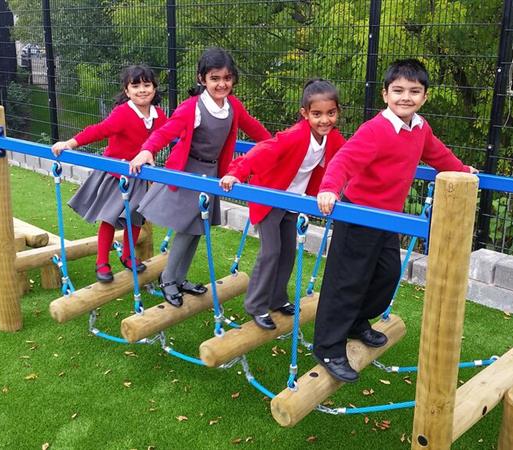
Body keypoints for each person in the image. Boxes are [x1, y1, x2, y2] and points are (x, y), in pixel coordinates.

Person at [312, 59, 479, 383]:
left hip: (389, 218)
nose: (406, 97)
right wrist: (330, 189)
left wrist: (462, 170)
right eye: (399, 90)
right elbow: (344, 159)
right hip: (359, 215)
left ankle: (359, 321)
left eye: (414, 91)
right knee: (347, 281)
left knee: (386, 275)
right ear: (386, 95)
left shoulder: (419, 128)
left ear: (424, 96)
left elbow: (438, 155)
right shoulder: (376, 129)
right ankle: (329, 346)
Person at [129, 47, 271, 307]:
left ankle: (179, 278)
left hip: (212, 174)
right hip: (189, 173)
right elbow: (167, 131)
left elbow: (254, 128)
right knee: (186, 228)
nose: (221, 84)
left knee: (197, 229)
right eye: (215, 78)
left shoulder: (232, 106)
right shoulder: (192, 107)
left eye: (227, 78)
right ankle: (168, 279)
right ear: (202, 79)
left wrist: (278, 147)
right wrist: (146, 150)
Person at [219, 79, 345, 330]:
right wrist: (237, 172)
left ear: (337, 112)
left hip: (292, 200)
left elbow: (349, 159)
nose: (324, 120)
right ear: (305, 114)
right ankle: (255, 305)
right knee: (271, 252)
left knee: (288, 252)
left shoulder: (332, 139)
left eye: (331, 113)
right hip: (270, 197)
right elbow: (263, 150)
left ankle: (277, 299)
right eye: (317, 114)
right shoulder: (295, 136)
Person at [51, 65, 166, 283]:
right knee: (110, 218)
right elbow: (100, 130)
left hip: (139, 175)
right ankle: (102, 261)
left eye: (147, 85)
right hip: (117, 174)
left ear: (154, 88)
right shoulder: (124, 113)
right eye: (136, 86)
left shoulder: (158, 115)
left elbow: (171, 132)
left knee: (135, 218)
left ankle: (127, 255)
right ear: (127, 90)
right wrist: (70, 143)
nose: (142, 90)